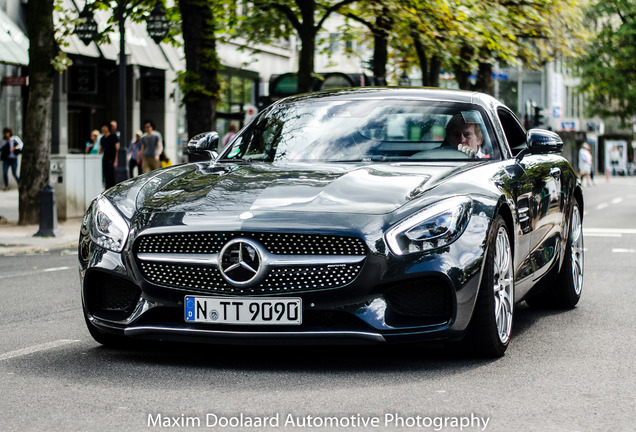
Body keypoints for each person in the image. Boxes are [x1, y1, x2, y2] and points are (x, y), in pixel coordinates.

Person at [98, 121, 120, 189]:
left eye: (105, 127)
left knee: (111, 176)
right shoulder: (102, 138)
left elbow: (117, 149)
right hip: (105, 159)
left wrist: (116, 161)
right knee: (106, 176)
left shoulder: (113, 137)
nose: (103, 128)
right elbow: (101, 149)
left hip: (112, 159)